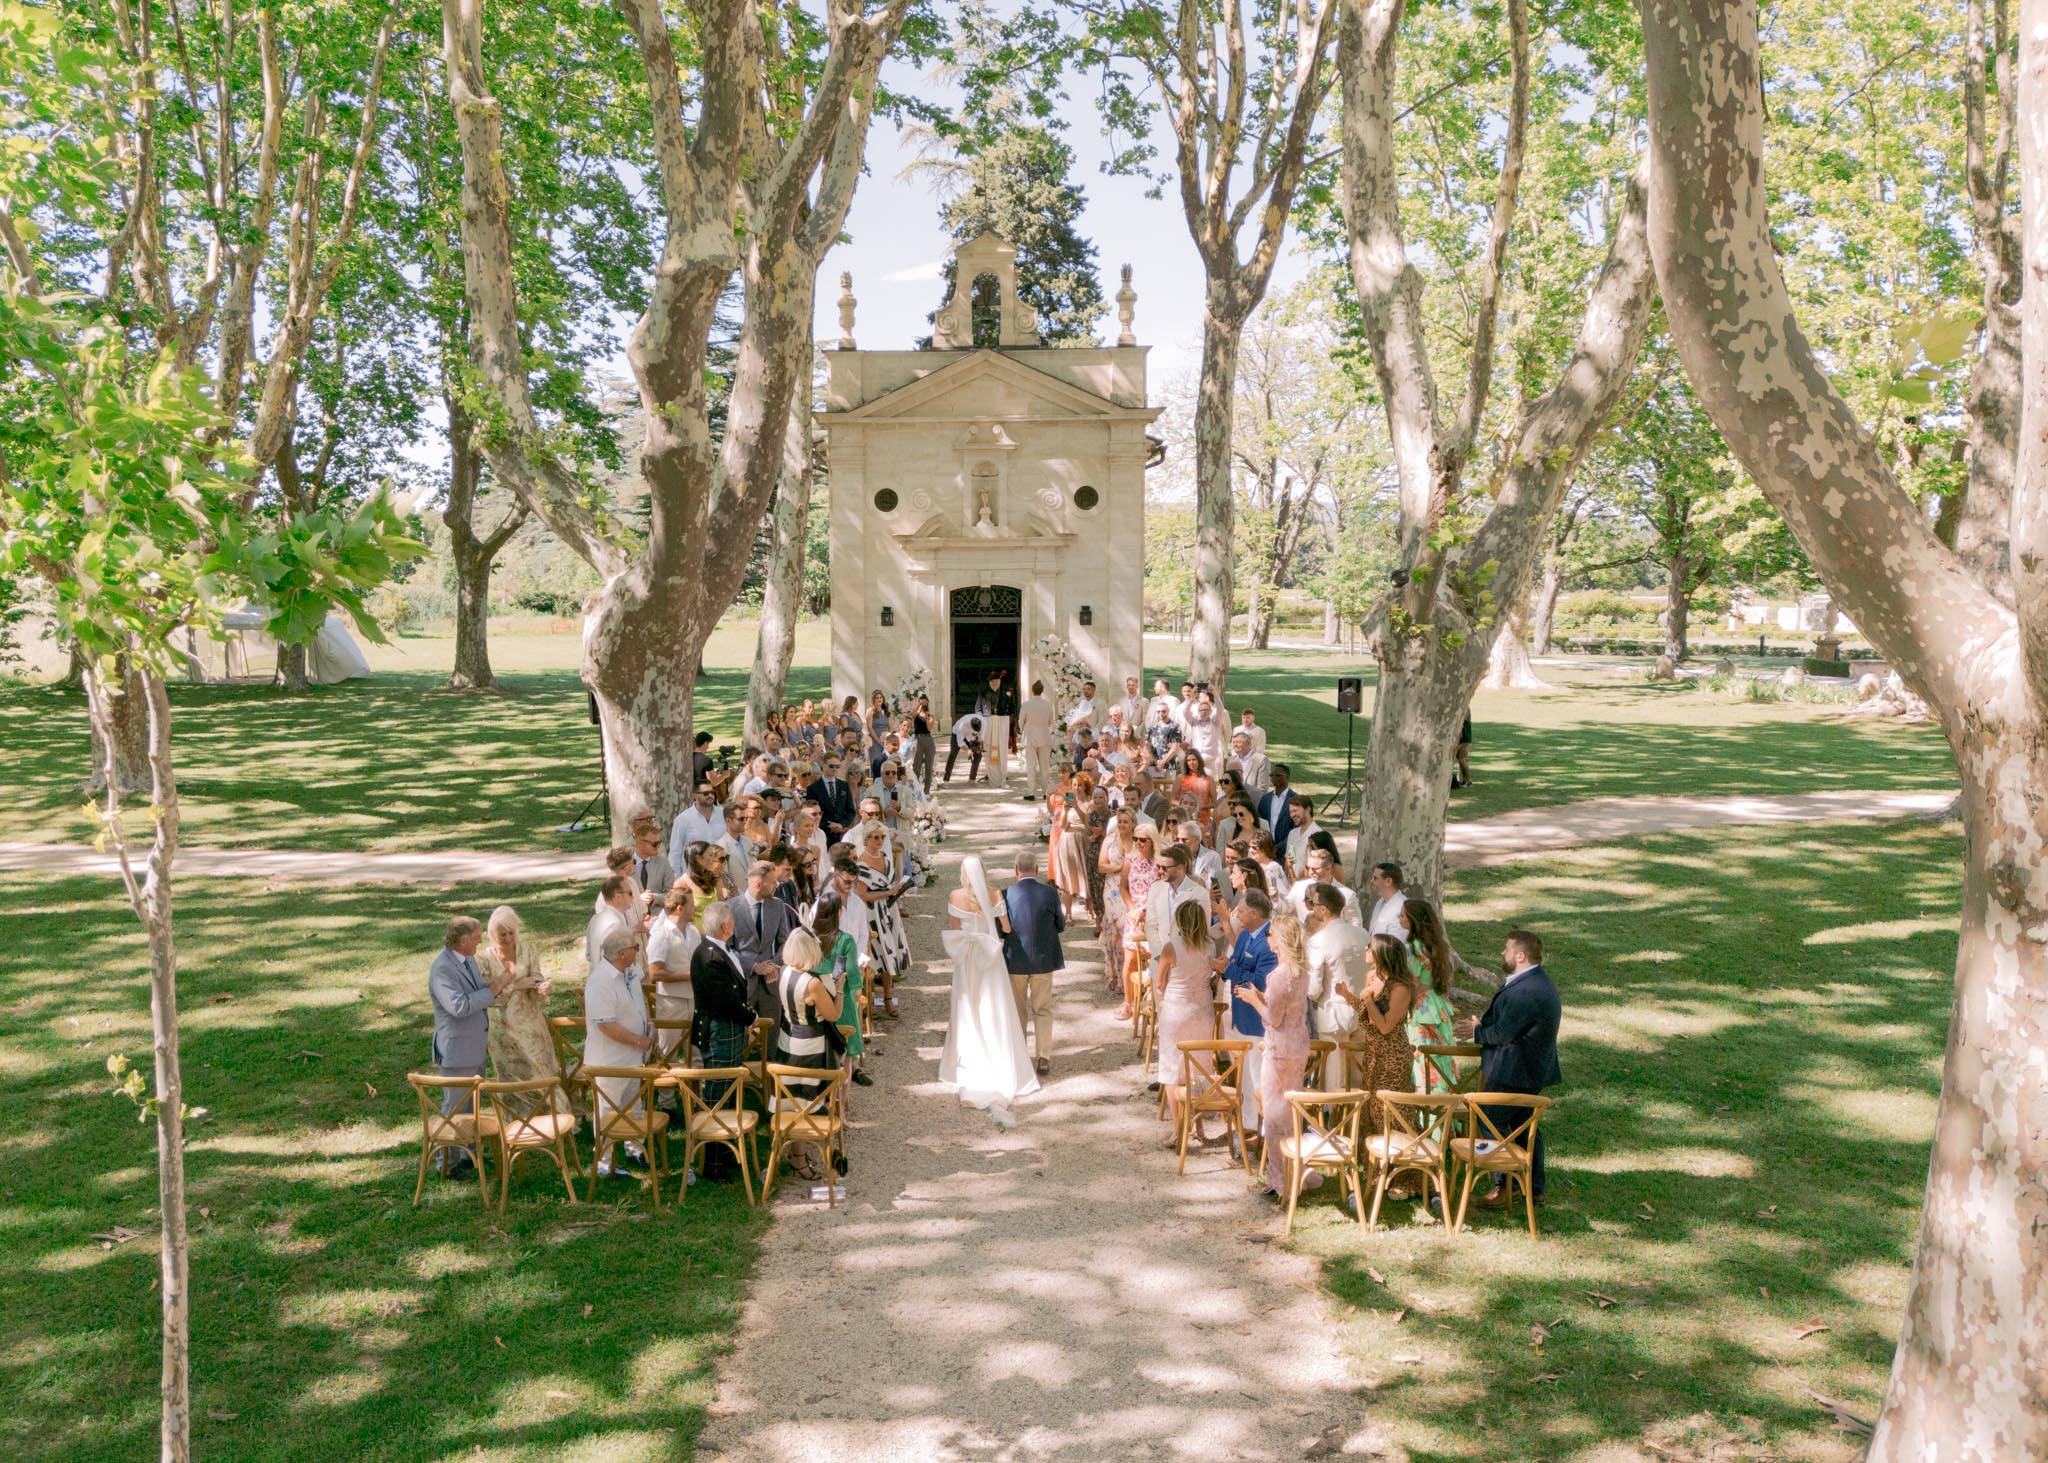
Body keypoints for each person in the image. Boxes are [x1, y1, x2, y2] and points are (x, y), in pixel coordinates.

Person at [1457, 929, 1561, 1204]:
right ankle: (1533, 1187)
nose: (1502, 953)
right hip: (1527, 1069)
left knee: (1492, 1121)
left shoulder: (1527, 990)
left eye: (1507, 948)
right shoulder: (1534, 982)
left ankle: (1507, 1185)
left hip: (1514, 1071)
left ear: (1521, 955)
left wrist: (1478, 1031)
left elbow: (1504, 1033)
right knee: (1525, 1128)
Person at [940, 855, 1039, 1107]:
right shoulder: (995, 894)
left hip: (967, 958)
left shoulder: (954, 895)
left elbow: (954, 929)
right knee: (994, 1006)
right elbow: (1005, 928)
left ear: (963, 873)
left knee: (967, 1006)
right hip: (990, 958)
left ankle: (970, 1059)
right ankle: (1000, 1057)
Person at [1233, 906, 1312, 1198]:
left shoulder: (1279, 976)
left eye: (1270, 935)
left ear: (1279, 939)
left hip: (1279, 1046)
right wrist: (1262, 997)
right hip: (1299, 1043)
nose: (1267, 938)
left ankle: (1281, 1179)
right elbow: (1287, 1008)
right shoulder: (1301, 972)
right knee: (1292, 1109)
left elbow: (1272, 1018)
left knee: (1276, 1113)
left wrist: (1254, 1000)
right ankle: (1297, 1169)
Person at [428, 916, 512, 1176]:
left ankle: (468, 1155)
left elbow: (475, 994)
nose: (480, 940)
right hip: (457, 1050)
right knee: (454, 1107)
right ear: (463, 940)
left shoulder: (467, 959)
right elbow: (458, 1006)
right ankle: (447, 1165)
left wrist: (493, 988)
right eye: (476, 936)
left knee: (472, 1106)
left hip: (474, 1044)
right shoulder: (442, 968)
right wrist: (493, 989)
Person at [1334, 932, 1419, 1152]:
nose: (1365, 950)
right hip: (1373, 1055)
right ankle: (1373, 1167)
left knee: (1390, 1111)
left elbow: (1385, 1026)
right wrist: (1348, 996)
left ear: (1383, 954)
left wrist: (1368, 999)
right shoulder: (1371, 977)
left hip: (1393, 1058)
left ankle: (1401, 1170)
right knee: (1371, 1109)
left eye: (1369, 947)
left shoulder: (1401, 988)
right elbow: (1367, 1013)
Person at [772, 927, 843, 1183]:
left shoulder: (784, 972)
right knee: (808, 1101)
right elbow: (834, 1014)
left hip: (788, 1038)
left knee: (794, 1100)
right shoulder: (812, 983)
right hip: (810, 1044)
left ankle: (797, 1156)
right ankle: (804, 1157)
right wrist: (841, 988)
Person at [584, 926, 654, 1178]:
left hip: (632, 1058)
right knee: (608, 1109)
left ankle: (634, 1147)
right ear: (622, 953)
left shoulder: (629, 971)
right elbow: (605, 1024)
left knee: (633, 1103)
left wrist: (647, 1024)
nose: (638, 950)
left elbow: (639, 999)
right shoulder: (600, 981)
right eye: (635, 947)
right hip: (609, 1060)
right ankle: (603, 1160)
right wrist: (637, 1039)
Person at [1215, 889, 1277, 1136]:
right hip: (1239, 1016)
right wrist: (1224, 967)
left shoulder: (1269, 941)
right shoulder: (1242, 937)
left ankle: (1262, 1132)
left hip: (1256, 1021)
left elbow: (1261, 982)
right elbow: (1236, 965)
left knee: (1258, 1077)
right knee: (1245, 1077)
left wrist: (1229, 971)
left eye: (1240, 911)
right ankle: (1248, 1126)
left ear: (1254, 913)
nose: (1236, 914)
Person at [1000, 848, 1065, 1077]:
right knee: (1042, 1009)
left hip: (1015, 960)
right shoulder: (1049, 893)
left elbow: (1001, 929)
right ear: (1037, 870)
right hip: (1043, 959)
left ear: (1015, 870)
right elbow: (1060, 924)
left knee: (1018, 1010)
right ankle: (1044, 1055)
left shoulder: (1006, 894)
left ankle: (1019, 1055)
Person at [1152, 899, 1217, 1120]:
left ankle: (1179, 1127)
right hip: (1202, 1011)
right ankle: (1197, 1123)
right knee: (1199, 1065)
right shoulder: (1210, 946)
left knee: (1171, 1069)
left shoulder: (1171, 948)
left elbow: (1159, 982)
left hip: (1177, 1010)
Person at [478, 905, 554, 1083]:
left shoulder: (528, 950)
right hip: (502, 1029)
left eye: (511, 933)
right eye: (502, 934)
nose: (508, 938)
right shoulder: (483, 959)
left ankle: (552, 1110)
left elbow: (535, 978)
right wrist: (517, 986)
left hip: (531, 1023)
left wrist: (541, 987)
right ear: (492, 934)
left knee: (542, 1074)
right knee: (512, 1079)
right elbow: (488, 998)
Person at [1303, 884, 1368, 1084]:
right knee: (1356, 1076)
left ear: (1323, 909)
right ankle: (1356, 1115)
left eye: (1313, 904)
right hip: (1362, 1009)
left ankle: (1336, 1115)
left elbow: (1313, 988)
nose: (1312, 908)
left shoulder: (1319, 940)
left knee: (1334, 1078)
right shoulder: (1362, 934)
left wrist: (1312, 997)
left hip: (1332, 1014)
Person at [808, 891, 870, 1086]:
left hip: (813, 994)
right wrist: (857, 990)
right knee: (846, 1053)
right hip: (838, 994)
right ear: (839, 914)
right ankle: (841, 1102)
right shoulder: (844, 940)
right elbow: (849, 970)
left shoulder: (809, 937)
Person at [1402, 898, 1460, 1092]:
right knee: (1440, 1055)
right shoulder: (1436, 944)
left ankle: (1427, 1111)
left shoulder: (1413, 947)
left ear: (1413, 920)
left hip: (1421, 1008)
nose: (1399, 918)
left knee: (1422, 1057)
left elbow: (1414, 983)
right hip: (1437, 1003)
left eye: (1402, 915)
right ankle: (1444, 1106)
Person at [853, 821, 911, 1014]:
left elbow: (890, 884)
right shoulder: (862, 863)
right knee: (877, 954)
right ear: (867, 839)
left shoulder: (886, 858)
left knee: (890, 952)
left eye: (882, 837)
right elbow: (861, 894)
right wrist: (886, 894)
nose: (879, 840)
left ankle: (888, 996)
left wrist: (896, 891)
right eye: (875, 837)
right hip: (871, 912)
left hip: (889, 910)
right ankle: (867, 999)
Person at [730, 859, 800, 1018]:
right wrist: (754, 966)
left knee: (771, 1037)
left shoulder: (777, 905)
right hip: (744, 984)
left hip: (771, 985)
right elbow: (727, 948)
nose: (777, 885)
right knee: (744, 1039)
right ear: (759, 884)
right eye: (773, 882)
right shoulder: (731, 907)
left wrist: (774, 965)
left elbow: (785, 942)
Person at [646, 883, 701, 1059]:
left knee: (697, 1052)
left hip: (695, 1000)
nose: (695, 908)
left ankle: (695, 1086)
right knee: (668, 1052)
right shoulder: (661, 935)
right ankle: (666, 1088)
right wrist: (688, 976)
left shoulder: (693, 932)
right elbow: (655, 974)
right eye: (691, 905)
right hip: (671, 1002)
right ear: (679, 909)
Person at [1116, 825, 1161, 1021]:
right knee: (1130, 960)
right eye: (1136, 839)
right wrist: (1133, 909)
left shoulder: (1159, 863)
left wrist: (1146, 912)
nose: (1139, 843)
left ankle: (1154, 1000)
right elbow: (1123, 888)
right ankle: (1128, 1002)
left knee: (1155, 959)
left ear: (1152, 841)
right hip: (1134, 914)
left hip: (1154, 915)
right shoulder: (1130, 861)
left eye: (1143, 839)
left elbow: (1161, 890)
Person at [1290, 843, 1363, 925]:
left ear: (1328, 868)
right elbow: (1285, 908)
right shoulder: (1299, 887)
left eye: (1315, 869)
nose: (1310, 872)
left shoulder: (1347, 895)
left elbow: (1356, 924)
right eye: (1308, 868)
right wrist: (1275, 899)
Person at [1050, 784, 1092, 922]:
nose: (1077, 788)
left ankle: (1090, 911)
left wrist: (1077, 807)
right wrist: (1066, 811)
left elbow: (1088, 824)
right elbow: (1062, 825)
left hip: (1082, 840)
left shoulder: (1089, 803)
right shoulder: (1066, 804)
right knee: (1067, 876)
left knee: (1086, 874)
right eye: (1074, 785)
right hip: (1067, 839)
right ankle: (1068, 913)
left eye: (1080, 785)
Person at [586, 874, 635, 976]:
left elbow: (589, 955)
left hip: (597, 978)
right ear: (617, 896)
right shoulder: (616, 925)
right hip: (612, 982)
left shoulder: (595, 919)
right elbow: (620, 961)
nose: (633, 897)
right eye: (630, 893)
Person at [1016, 679, 1056, 800]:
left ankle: (1031, 792)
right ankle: (1045, 792)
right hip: (1044, 735)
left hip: (1030, 736)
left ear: (1032, 691)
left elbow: (1021, 721)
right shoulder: (1048, 705)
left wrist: (1024, 730)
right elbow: (1051, 721)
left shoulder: (1026, 704)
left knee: (1031, 765)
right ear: (1042, 691)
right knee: (1045, 766)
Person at [806, 755, 858, 840]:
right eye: (831, 766)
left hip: (842, 834)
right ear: (823, 764)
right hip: (821, 833)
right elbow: (810, 812)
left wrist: (841, 825)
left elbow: (851, 811)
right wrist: (829, 826)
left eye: (837, 766)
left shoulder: (844, 785)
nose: (834, 769)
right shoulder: (813, 788)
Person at [628, 820, 676, 913]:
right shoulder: (625, 864)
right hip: (634, 917)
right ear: (640, 843)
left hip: (657, 918)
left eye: (659, 842)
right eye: (655, 844)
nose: (658, 846)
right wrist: (637, 899)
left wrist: (654, 898)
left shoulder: (663, 863)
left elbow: (672, 894)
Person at [1183, 686, 1226, 768]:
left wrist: (1215, 693)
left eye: (1206, 710)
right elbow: (1185, 712)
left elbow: (1220, 708)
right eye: (1202, 710)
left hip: (1210, 762)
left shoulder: (1216, 723)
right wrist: (1192, 696)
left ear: (1210, 711)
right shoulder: (1194, 722)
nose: (1204, 712)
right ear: (1198, 712)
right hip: (1196, 762)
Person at [1366, 861, 1407, 939]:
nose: (1371, 881)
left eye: (1375, 878)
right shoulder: (1380, 902)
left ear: (1388, 881)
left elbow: (1397, 942)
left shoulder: (1402, 907)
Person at [1228, 730, 1270, 801]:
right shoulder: (1231, 760)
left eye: (1238, 742)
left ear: (1248, 743)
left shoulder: (1261, 760)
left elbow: (1262, 789)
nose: (1235, 745)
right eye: (1233, 743)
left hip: (1253, 802)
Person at [1284, 798, 1321, 879]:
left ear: (1307, 810)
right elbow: (1289, 859)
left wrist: (1298, 885)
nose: (1292, 815)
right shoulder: (1292, 834)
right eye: (1290, 812)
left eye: (1295, 811)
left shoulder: (1317, 833)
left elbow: (1312, 865)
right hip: (1291, 883)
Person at [944, 711, 985, 783]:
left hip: (972, 737)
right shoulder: (961, 726)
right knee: (953, 754)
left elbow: (981, 738)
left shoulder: (984, 722)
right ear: (971, 726)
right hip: (956, 735)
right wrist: (968, 750)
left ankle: (972, 779)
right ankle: (946, 779)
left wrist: (979, 748)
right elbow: (960, 743)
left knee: (978, 755)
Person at [911, 696, 938, 790]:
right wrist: (919, 704)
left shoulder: (930, 716)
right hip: (918, 739)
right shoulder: (916, 715)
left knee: (929, 766)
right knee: (916, 765)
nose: (923, 704)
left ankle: (927, 791)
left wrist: (926, 717)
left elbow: (929, 728)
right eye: (922, 702)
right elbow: (912, 715)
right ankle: (915, 789)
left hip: (928, 739)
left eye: (925, 702)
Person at [1452, 710, 1473, 789]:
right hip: (1466, 737)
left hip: (1462, 738)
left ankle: (1466, 781)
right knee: (1462, 759)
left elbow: (1462, 722)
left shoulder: (1463, 707)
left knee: (1461, 759)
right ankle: (1466, 780)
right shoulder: (1466, 707)